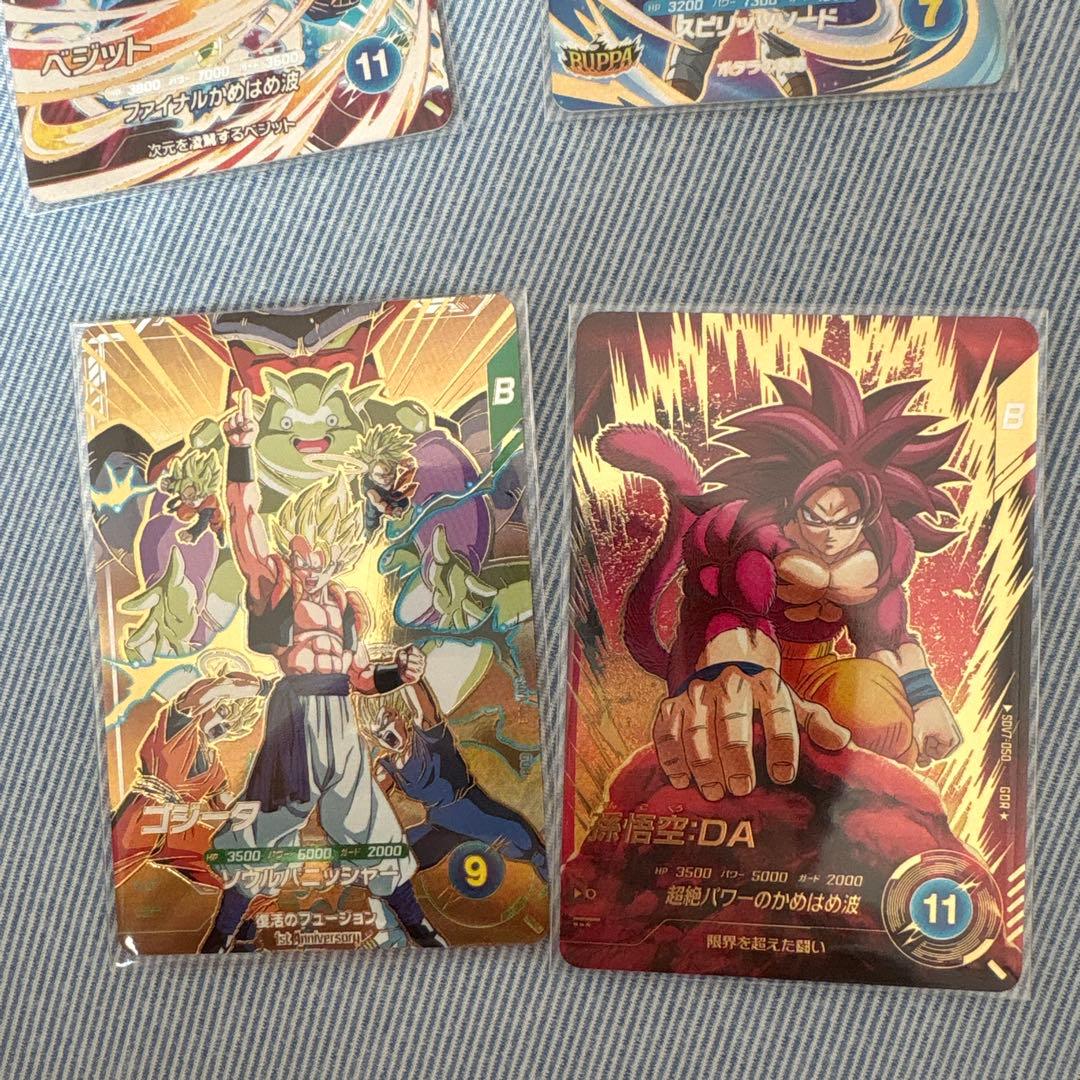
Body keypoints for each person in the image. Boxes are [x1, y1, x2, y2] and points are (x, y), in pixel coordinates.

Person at [599, 349, 966, 799]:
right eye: (816, 516)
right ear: (792, 504)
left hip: (816, 675)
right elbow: (733, 618)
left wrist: (925, 698)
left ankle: (872, 806)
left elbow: (888, 638)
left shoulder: (878, 556)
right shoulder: (757, 540)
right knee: (746, 732)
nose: (830, 535)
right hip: (729, 660)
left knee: (879, 715)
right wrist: (734, 671)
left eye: (847, 520)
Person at [199, 389, 443, 952]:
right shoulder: (276, 583)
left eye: (325, 551)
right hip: (296, 720)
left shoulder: (348, 606)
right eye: (306, 546)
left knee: (372, 826)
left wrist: (399, 674)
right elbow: (245, 523)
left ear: (339, 551)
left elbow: (360, 677)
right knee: (263, 830)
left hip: (341, 721)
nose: (312, 561)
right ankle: (220, 933)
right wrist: (241, 448)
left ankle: (418, 925)